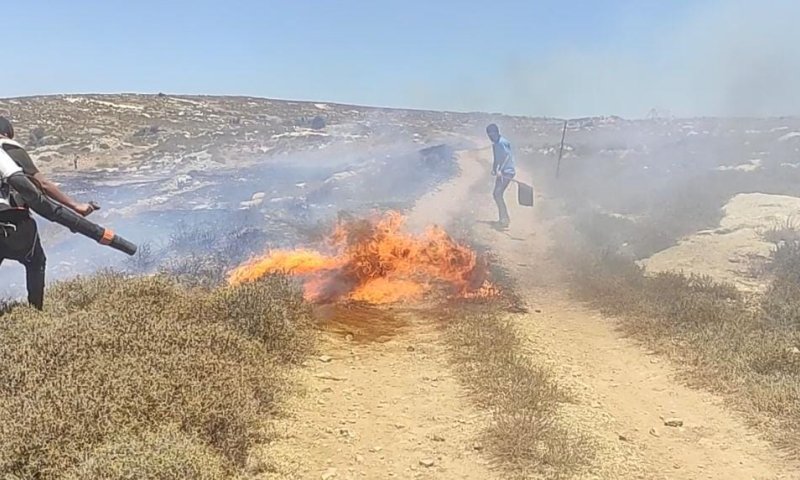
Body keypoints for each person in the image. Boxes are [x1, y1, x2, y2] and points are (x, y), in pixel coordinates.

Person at [0, 116, 98, 309]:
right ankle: (35, 313)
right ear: (6, 132)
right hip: (10, 219)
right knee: (36, 260)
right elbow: (42, 184)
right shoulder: (8, 147)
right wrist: (75, 206)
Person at [487, 123, 515, 229]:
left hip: (507, 172)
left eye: (492, 134)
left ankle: (504, 220)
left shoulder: (502, 143)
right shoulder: (495, 144)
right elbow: (496, 158)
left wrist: (501, 170)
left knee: (497, 194)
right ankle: (503, 219)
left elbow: (507, 157)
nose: (491, 137)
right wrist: (494, 169)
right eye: (489, 135)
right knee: (496, 194)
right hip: (501, 172)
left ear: (497, 133)